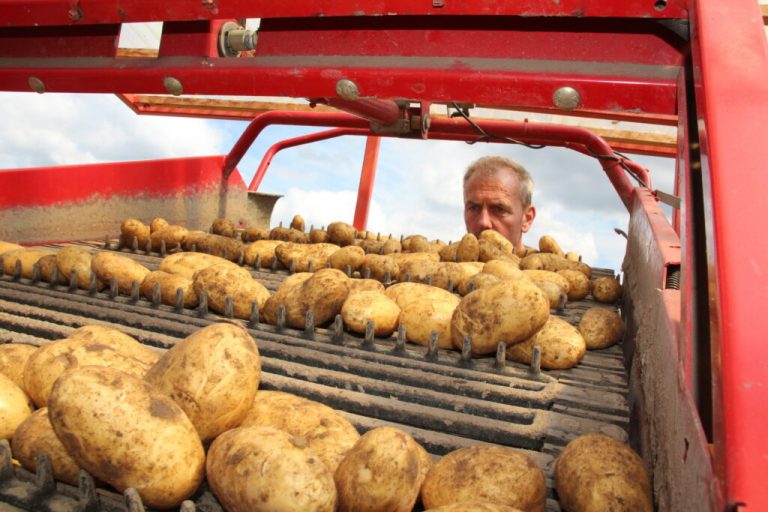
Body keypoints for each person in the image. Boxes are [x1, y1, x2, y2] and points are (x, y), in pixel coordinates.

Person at [463, 156, 536, 255]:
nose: (484, 222)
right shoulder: (445, 266)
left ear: (527, 219)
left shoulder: (545, 267)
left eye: (499, 209)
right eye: (474, 208)